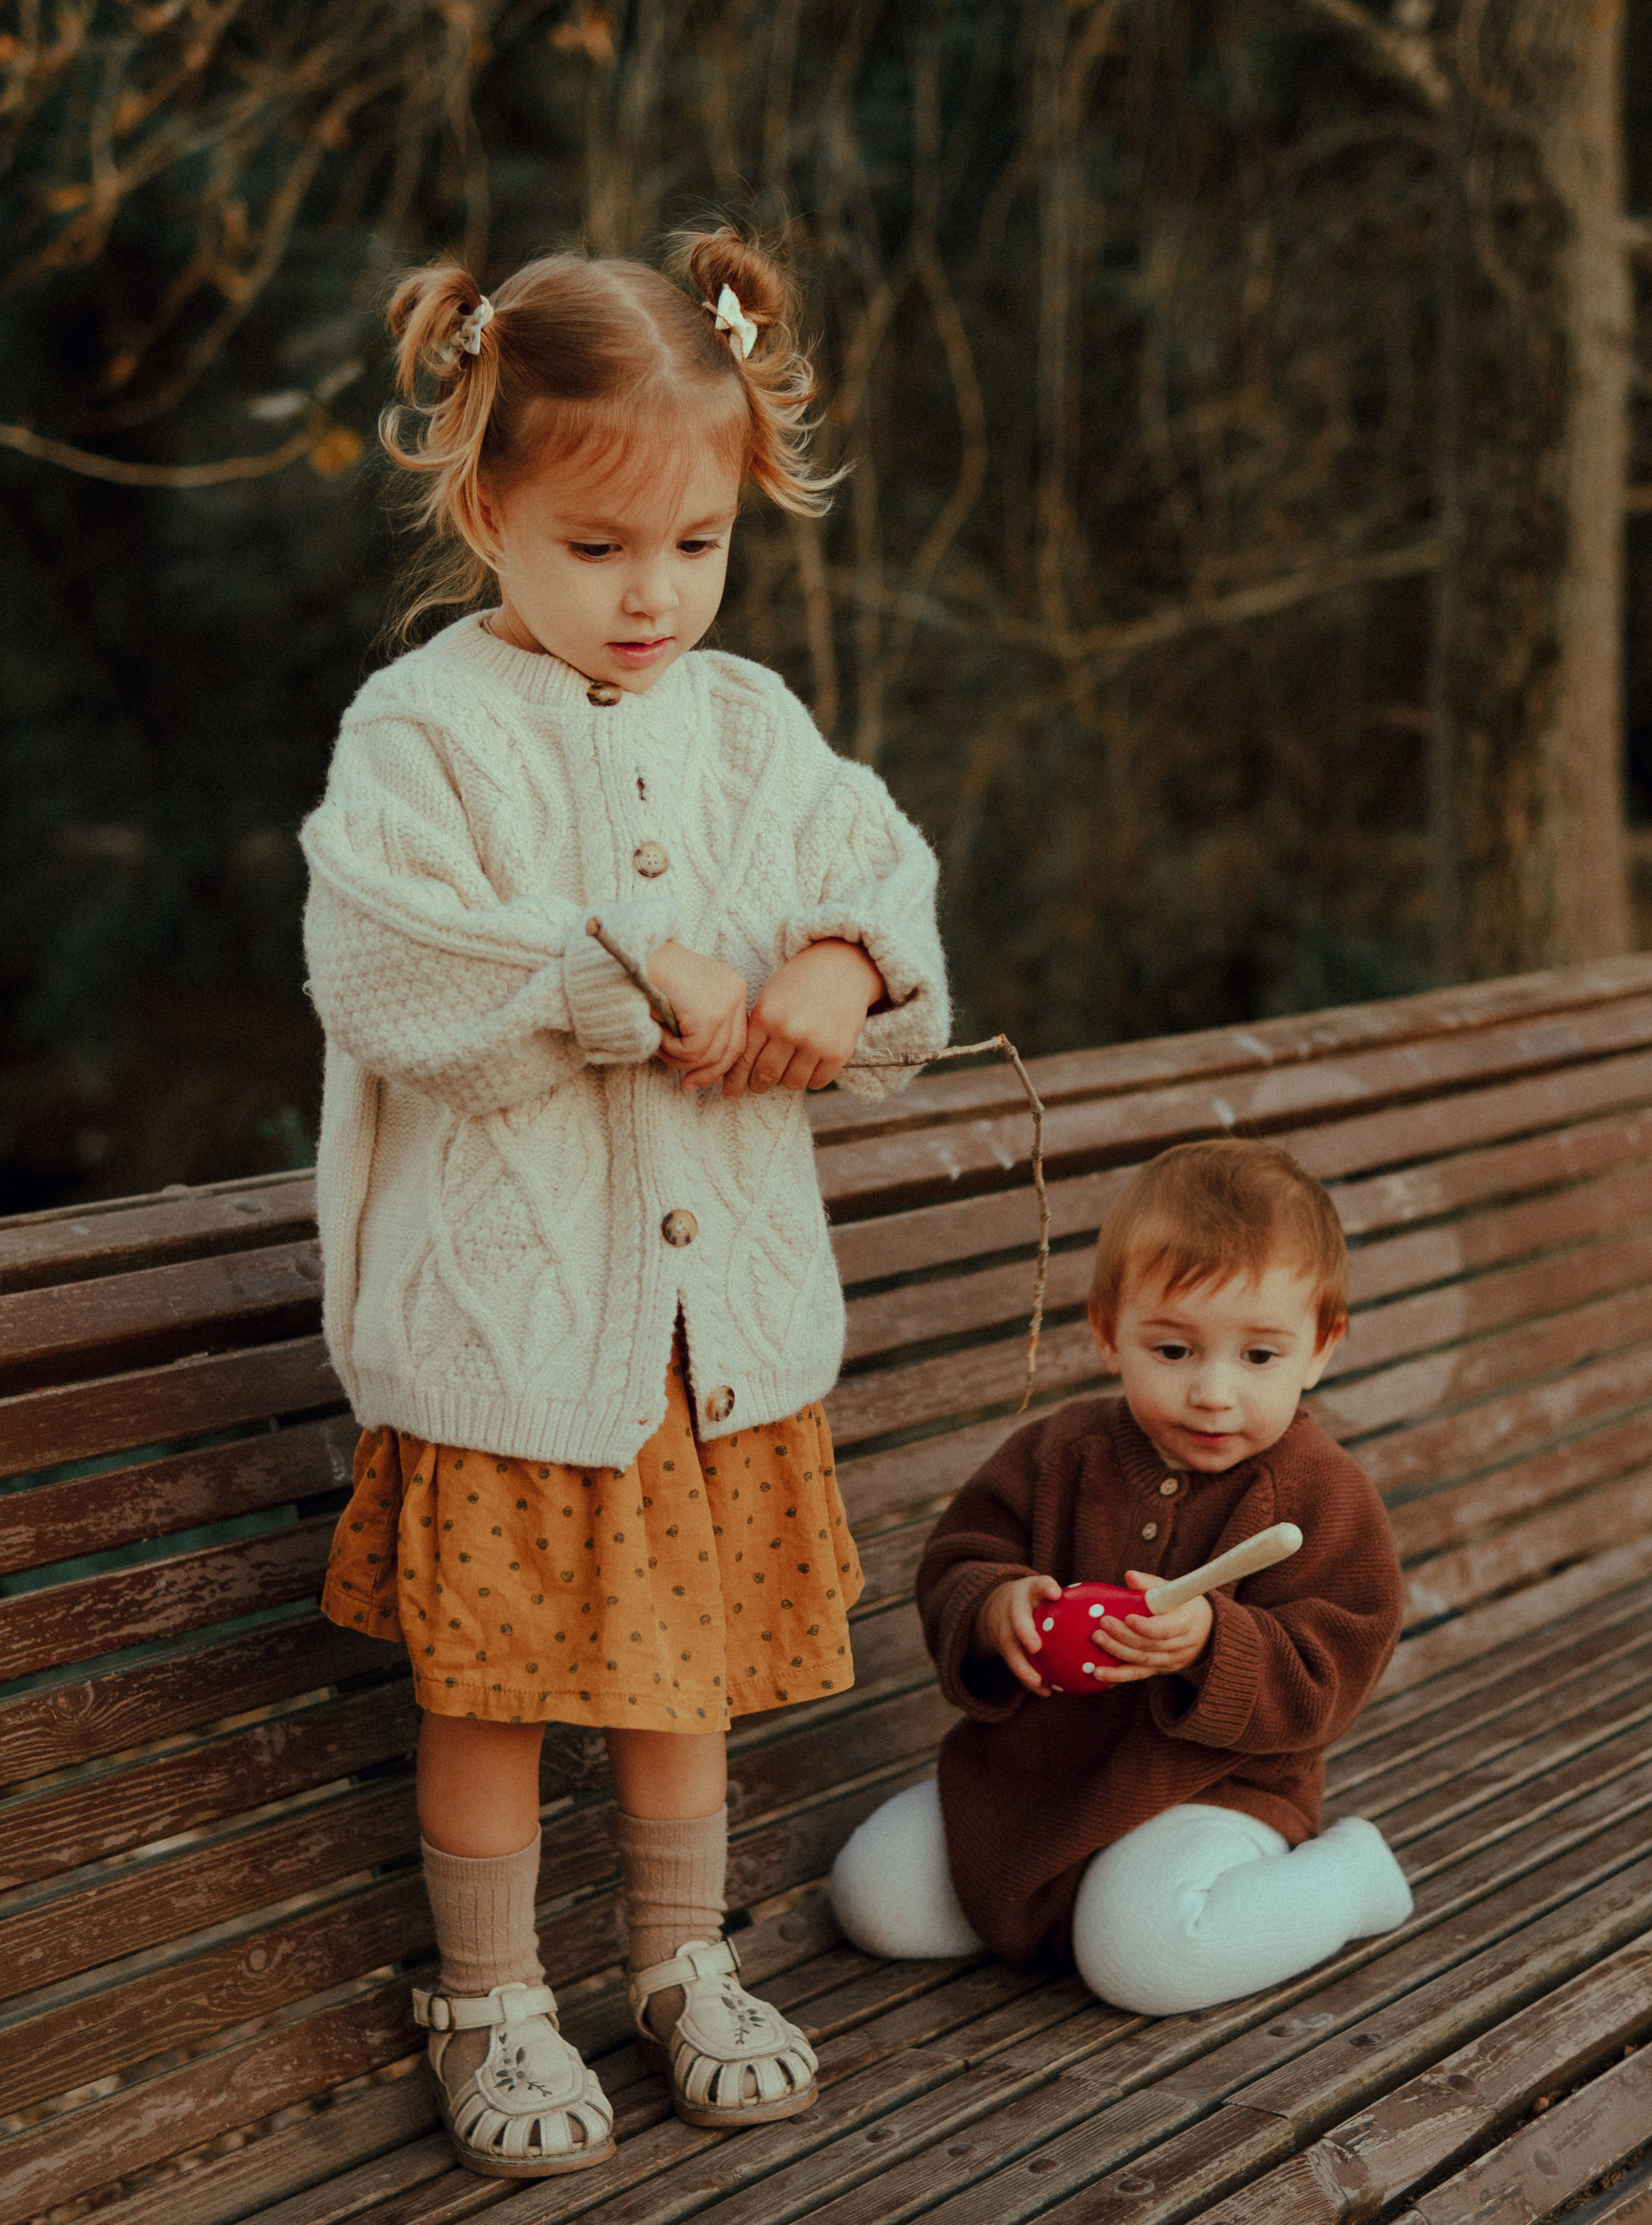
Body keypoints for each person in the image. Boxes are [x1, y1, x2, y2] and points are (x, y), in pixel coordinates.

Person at [300, 228, 949, 2179]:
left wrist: (844, 967)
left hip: (713, 1345)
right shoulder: (422, 731)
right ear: (489, 505)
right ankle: (488, 1994)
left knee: (691, 1681)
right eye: (598, 547)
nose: (654, 593)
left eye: (696, 544)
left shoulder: (753, 726)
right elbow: (391, 965)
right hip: (519, 1344)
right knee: (497, 1689)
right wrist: (605, 970)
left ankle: (681, 1954)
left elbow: (886, 873)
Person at [830, 1138, 1412, 2017]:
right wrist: (996, 1608)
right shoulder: (1058, 1454)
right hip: (1035, 1777)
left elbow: (1335, 1658)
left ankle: (1348, 1880)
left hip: (1209, 1792)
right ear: (1108, 1333)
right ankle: (1074, 1897)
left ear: (1321, 1349)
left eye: (1259, 1356)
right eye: (1174, 1349)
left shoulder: (1320, 1496)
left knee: (1142, 1959)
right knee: (872, 1894)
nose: (1214, 1392)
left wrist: (1215, 1645)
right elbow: (959, 1556)